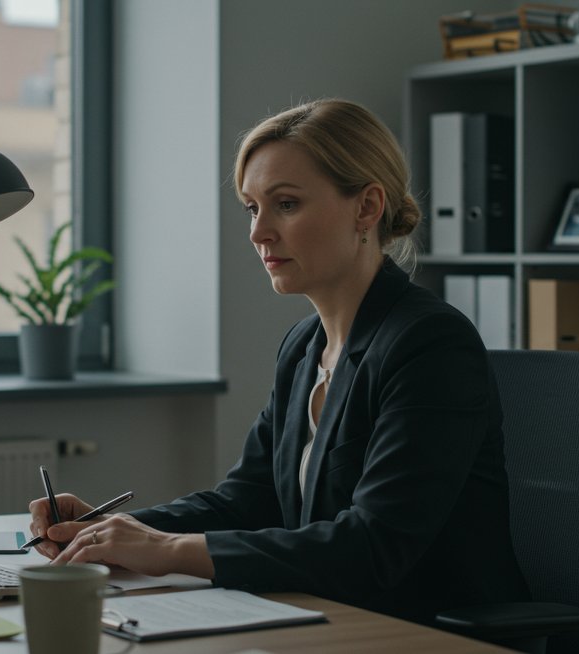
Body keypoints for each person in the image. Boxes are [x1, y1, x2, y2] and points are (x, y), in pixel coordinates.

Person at [28, 98, 530, 623]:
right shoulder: (304, 346)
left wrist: (169, 550)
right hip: (325, 617)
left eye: (285, 204)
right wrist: (106, 531)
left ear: (366, 207)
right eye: (252, 208)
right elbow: (248, 500)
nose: (258, 232)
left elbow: (373, 545)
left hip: (424, 632)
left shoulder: (430, 344)